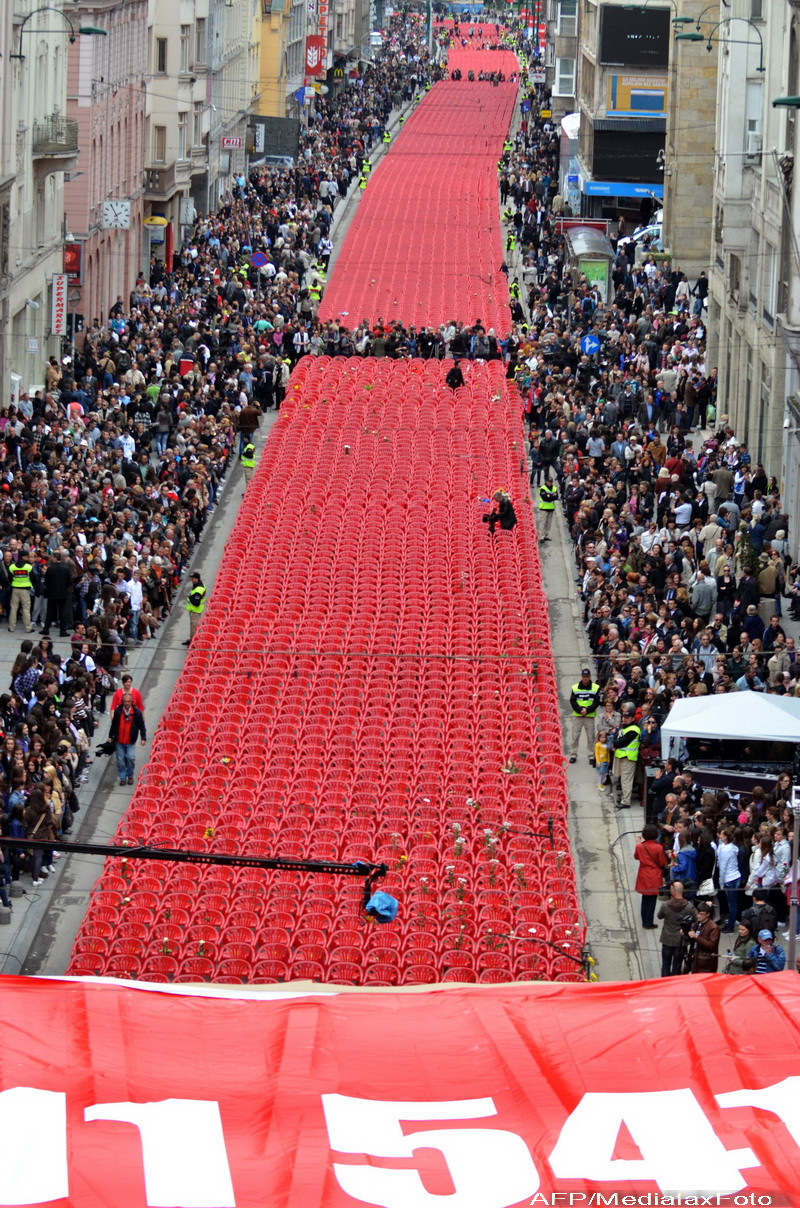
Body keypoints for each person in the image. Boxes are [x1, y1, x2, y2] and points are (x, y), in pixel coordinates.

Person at [657, 881, 697, 976]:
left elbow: (659, 916)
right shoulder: (689, 907)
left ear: (672, 891)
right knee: (677, 965)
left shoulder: (665, 905)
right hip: (681, 941)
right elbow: (697, 919)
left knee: (666, 963)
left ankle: (664, 982)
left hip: (667, 939)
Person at [108, 691, 147, 787]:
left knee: (130, 758)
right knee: (120, 760)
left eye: (128, 701)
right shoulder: (118, 711)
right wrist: (110, 736)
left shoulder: (136, 713)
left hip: (130, 741)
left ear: (131, 702)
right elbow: (114, 724)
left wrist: (143, 738)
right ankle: (122, 777)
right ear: (122, 701)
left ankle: (130, 775)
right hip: (119, 741)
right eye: (125, 701)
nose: (126, 703)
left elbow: (142, 726)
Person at [634, 824, 667, 929]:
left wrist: (638, 844)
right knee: (652, 899)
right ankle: (649, 922)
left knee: (645, 898)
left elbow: (636, 857)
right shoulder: (658, 847)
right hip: (654, 874)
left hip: (643, 873)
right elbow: (662, 862)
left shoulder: (640, 846)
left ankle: (644, 921)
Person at [610, 703, 641, 810]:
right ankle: (624, 798)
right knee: (623, 779)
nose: (625, 719)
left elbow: (624, 741)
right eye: (624, 717)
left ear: (633, 718)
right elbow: (616, 737)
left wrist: (615, 744)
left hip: (628, 757)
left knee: (626, 780)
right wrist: (614, 743)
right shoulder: (625, 726)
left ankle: (626, 802)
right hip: (622, 756)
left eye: (627, 717)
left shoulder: (634, 729)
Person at [568, 667, 601, 763]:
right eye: (583, 676)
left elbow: (596, 702)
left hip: (589, 715)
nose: (585, 678)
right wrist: (580, 710)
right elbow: (572, 701)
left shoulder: (595, 687)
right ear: (581, 677)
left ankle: (591, 755)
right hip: (578, 715)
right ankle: (573, 754)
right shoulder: (575, 687)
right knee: (575, 736)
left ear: (590, 677)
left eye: (587, 676)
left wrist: (587, 710)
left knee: (591, 737)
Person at [689, 900, 720, 972]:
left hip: (705, 962)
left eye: (701, 914)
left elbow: (711, 945)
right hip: (695, 956)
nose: (698, 916)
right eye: (698, 913)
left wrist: (696, 937)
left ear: (707, 914)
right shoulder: (697, 923)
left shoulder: (714, 927)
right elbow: (691, 935)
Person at [7, 552, 34, 634]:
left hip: (15, 589)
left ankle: (11, 627)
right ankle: (28, 628)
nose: (28, 558)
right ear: (24, 556)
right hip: (25, 590)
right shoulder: (28, 567)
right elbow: (33, 578)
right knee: (26, 609)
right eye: (27, 556)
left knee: (14, 608)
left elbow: (9, 578)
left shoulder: (12, 567)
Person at [183, 572, 206, 646]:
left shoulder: (198, 589)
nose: (191, 579)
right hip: (194, 611)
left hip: (195, 611)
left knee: (194, 627)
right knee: (192, 626)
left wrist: (190, 598)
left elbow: (196, 603)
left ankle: (193, 643)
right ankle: (191, 640)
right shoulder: (197, 586)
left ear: (196, 579)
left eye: (192, 578)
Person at [537, 476, 558, 541]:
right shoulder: (543, 488)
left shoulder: (554, 488)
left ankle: (545, 535)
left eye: (551, 482)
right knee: (543, 523)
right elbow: (545, 498)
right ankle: (541, 537)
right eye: (548, 481)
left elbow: (556, 497)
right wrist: (552, 496)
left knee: (548, 523)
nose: (550, 483)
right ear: (546, 481)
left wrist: (549, 496)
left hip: (551, 508)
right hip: (544, 508)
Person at [594, 728, 610, 794]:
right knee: (601, 773)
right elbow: (596, 754)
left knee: (605, 773)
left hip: (605, 761)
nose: (603, 739)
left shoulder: (606, 745)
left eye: (604, 737)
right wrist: (598, 762)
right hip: (600, 762)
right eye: (601, 738)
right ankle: (599, 784)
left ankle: (599, 783)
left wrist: (608, 760)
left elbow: (608, 753)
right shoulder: (598, 745)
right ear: (599, 738)